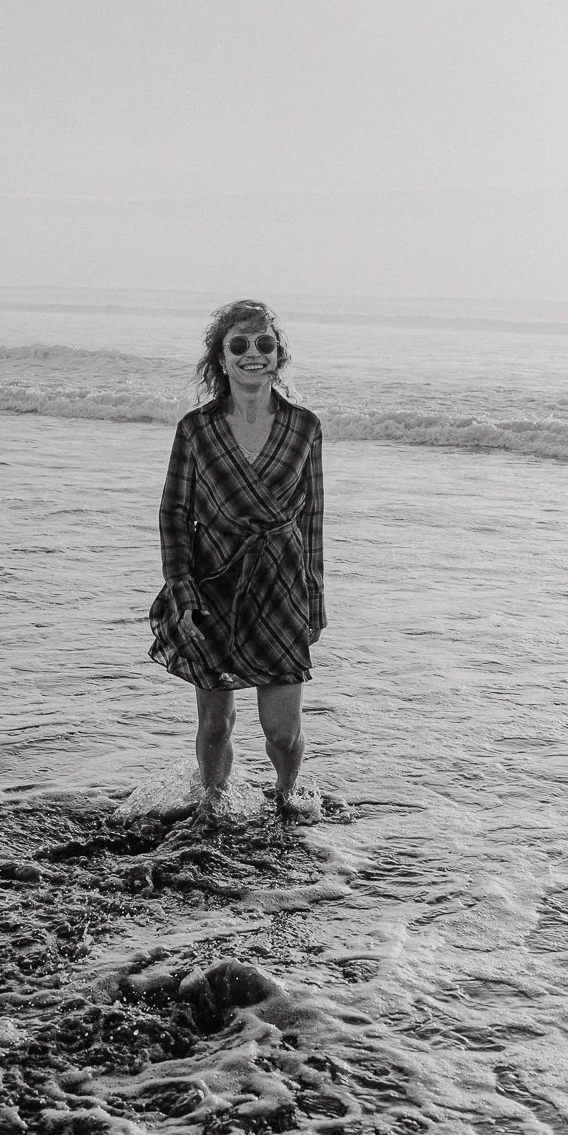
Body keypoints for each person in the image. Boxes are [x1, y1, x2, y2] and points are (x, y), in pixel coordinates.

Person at [149, 299, 325, 818]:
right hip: (214, 581)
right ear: (220, 358)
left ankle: (288, 796)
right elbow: (174, 513)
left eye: (265, 344)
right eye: (240, 345)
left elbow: (312, 517)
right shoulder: (196, 430)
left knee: (283, 732)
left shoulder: (305, 427)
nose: (254, 354)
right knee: (214, 723)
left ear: (278, 356)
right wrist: (180, 586)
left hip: (282, 584)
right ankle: (213, 803)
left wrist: (316, 593)